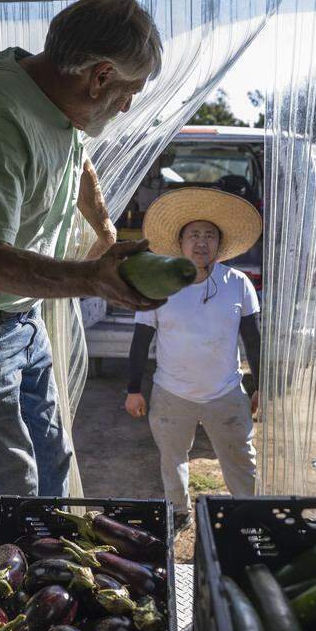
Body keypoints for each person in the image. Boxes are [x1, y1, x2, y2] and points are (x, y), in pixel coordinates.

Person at [0, 0, 164, 525]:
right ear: (99, 76)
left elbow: (77, 161)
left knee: (53, 465)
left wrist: (105, 227)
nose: (128, 105)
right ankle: (6, 603)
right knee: (12, 490)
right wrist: (95, 278)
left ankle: (53, 573)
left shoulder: (59, 104)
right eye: (129, 91)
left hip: (18, 318)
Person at [123, 188, 263, 529]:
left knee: (241, 460)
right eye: (194, 235)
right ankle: (178, 512)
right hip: (172, 394)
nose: (202, 243)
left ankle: (248, 517)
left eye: (210, 236)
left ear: (219, 243)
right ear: (181, 242)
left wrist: (261, 385)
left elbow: (253, 339)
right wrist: (133, 389)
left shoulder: (237, 283)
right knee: (172, 459)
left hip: (225, 393)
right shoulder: (159, 284)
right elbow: (141, 340)